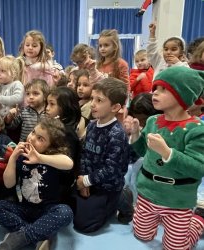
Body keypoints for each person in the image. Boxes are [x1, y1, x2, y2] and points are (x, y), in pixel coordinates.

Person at [127, 67, 204, 250]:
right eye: (155, 88)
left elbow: (198, 168)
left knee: (176, 247)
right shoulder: (154, 121)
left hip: (177, 199)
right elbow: (144, 152)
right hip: (148, 192)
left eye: (164, 89)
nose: (155, 93)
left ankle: (198, 220)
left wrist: (167, 152)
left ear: (182, 95)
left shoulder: (197, 130)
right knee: (141, 235)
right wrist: (136, 134)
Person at [0, 118, 74, 250]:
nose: (32, 138)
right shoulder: (23, 156)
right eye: (33, 132)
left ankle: (21, 237)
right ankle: (36, 235)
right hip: (25, 209)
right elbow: (9, 184)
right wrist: (13, 158)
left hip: (47, 211)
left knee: (65, 212)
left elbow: (69, 163)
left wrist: (40, 158)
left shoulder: (53, 158)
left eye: (40, 139)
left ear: (51, 146)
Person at [74, 78, 130, 233]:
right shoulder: (92, 125)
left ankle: (122, 199)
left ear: (115, 107)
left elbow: (111, 169)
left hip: (108, 187)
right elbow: (84, 155)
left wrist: (86, 181)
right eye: (92, 98)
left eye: (99, 100)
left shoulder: (117, 134)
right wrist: (83, 179)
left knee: (84, 225)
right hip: (90, 182)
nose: (92, 104)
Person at [117, 93, 161, 224]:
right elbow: (131, 153)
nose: (140, 122)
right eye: (137, 118)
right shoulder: (131, 124)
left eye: (143, 119)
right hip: (134, 165)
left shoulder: (156, 126)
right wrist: (129, 132)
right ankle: (134, 203)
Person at [46, 86, 81, 209]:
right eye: (47, 104)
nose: (47, 108)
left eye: (52, 104)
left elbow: (68, 166)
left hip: (61, 179)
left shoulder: (68, 132)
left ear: (64, 108)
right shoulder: (54, 126)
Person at [74, 69, 94, 139]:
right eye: (78, 85)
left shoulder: (91, 105)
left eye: (85, 85)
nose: (80, 88)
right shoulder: (76, 102)